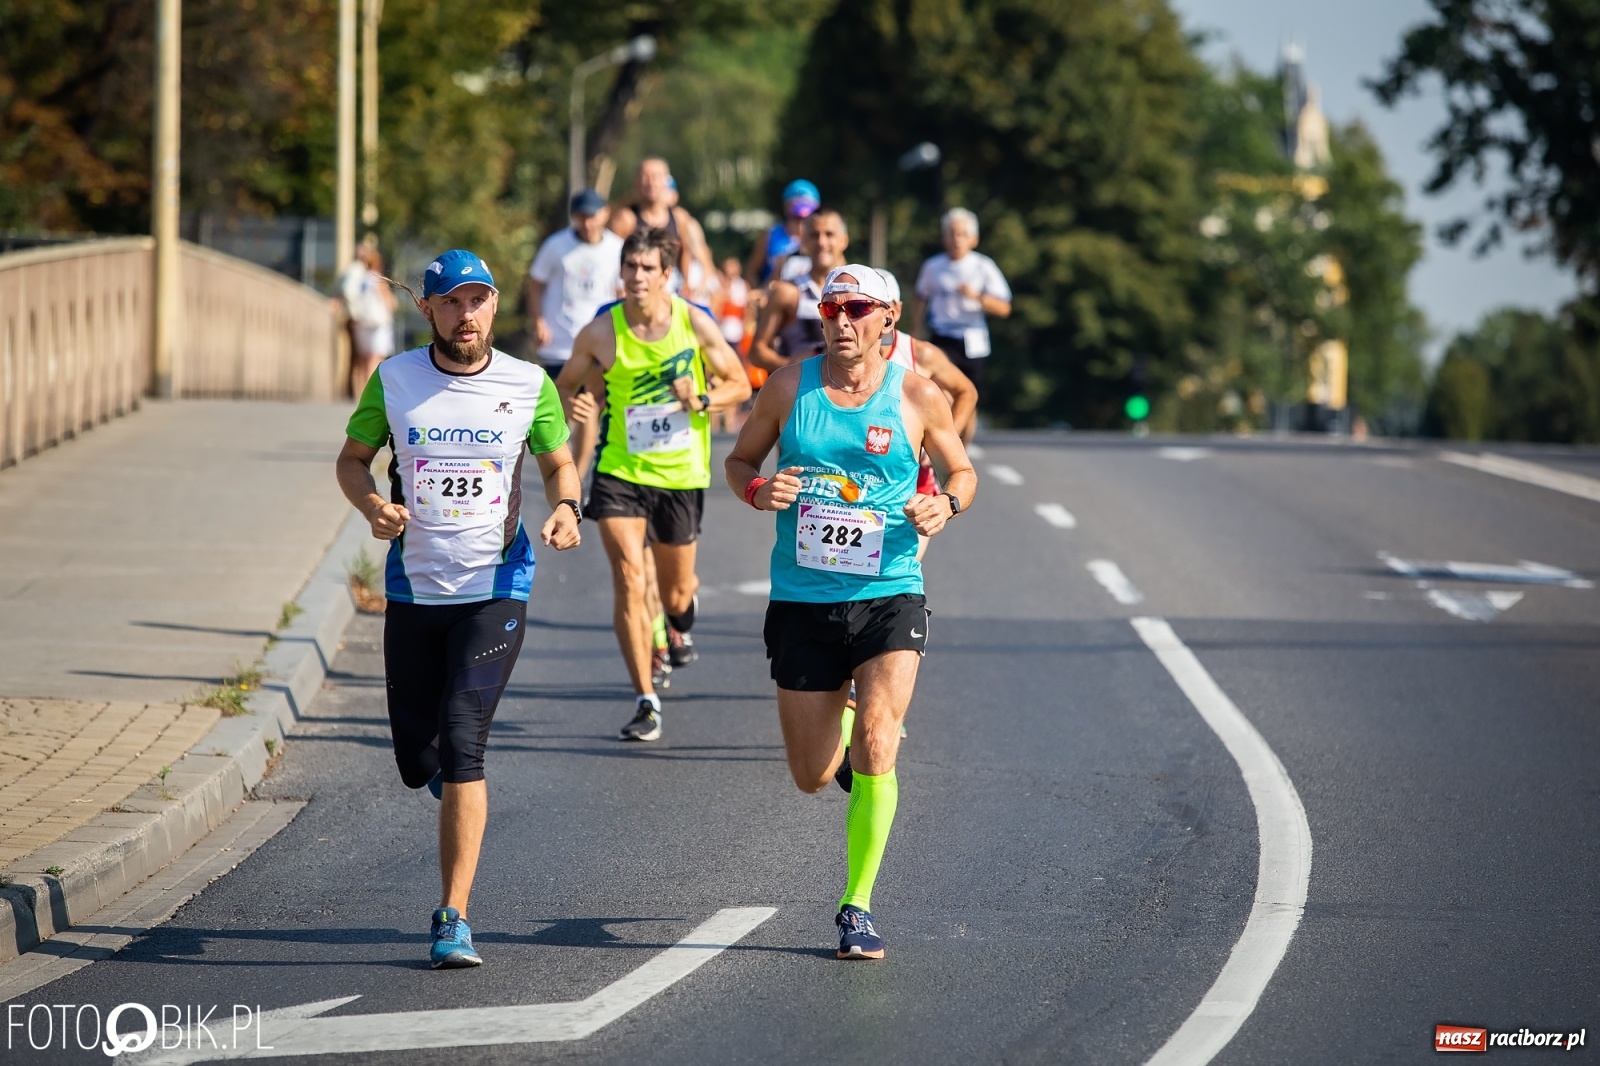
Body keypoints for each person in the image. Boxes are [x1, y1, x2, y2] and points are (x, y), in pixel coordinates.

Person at [335, 249, 582, 968]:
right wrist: (373, 505)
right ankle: (447, 781)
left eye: (477, 301)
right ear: (429, 310)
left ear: (494, 306)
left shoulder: (527, 384)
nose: (465, 314)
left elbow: (557, 462)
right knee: (419, 759)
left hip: (495, 587)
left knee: (464, 738)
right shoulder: (396, 379)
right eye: (451, 302)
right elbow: (351, 459)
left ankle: (453, 917)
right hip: (415, 588)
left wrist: (566, 506)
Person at [724, 264, 976, 961]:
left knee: (878, 740)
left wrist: (945, 504)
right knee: (811, 775)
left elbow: (962, 471)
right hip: (803, 599)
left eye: (856, 308)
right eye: (831, 306)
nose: (840, 319)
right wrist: (757, 491)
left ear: (887, 318)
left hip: (889, 589)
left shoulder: (918, 394)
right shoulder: (788, 387)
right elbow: (740, 460)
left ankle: (856, 906)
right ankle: (841, 725)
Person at [556, 228, 750, 742]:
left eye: (647, 269)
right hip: (620, 470)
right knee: (627, 575)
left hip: (681, 477)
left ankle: (682, 615)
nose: (637, 277)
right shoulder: (601, 331)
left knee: (675, 592)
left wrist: (703, 398)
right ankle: (646, 698)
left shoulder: (694, 322)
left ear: (667, 276)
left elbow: (741, 382)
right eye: (630, 267)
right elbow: (561, 389)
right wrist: (574, 406)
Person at [878, 269, 978, 560]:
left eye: (881, 305)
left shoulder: (920, 353)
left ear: (895, 310)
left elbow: (966, 392)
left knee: (903, 566)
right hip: (860, 477)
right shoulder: (837, 355)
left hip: (915, 481)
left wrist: (943, 440)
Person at [526, 188, 625, 478]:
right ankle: (559, 470)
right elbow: (534, 283)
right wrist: (539, 321)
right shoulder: (556, 246)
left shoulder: (617, 248)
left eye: (592, 216)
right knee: (560, 411)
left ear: (605, 214)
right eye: (581, 217)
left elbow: (622, 293)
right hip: (560, 341)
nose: (587, 223)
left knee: (590, 407)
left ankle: (577, 479)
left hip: (597, 344)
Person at [911, 208, 1012, 437]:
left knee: (968, 397)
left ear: (974, 239)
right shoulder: (933, 267)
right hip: (942, 335)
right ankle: (945, 443)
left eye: (963, 234)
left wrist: (976, 296)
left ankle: (961, 450)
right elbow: (920, 296)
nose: (957, 239)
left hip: (972, 338)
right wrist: (916, 328)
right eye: (952, 233)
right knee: (943, 392)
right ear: (944, 237)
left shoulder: (983, 266)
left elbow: (1004, 307)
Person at [749, 209, 850, 373]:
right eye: (814, 235)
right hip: (799, 393)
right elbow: (756, 352)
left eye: (829, 234)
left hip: (846, 393)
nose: (821, 242)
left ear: (844, 240)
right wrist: (798, 370)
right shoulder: (787, 292)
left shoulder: (858, 291)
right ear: (803, 241)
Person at [609, 157, 718, 304]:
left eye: (656, 177)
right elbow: (612, 258)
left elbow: (687, 251)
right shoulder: (626, 219)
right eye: (645, 177)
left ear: (666, 181)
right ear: (636, 182)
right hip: (638, 292)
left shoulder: (680, 218)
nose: (650, 182)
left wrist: (687, 283)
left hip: (671, 292)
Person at [339, 242, 397, 398]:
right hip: (378, 323)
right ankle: (370, 392)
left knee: (363, 360)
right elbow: (390, 303)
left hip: (362, 322)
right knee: (375, 358)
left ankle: (361, 390)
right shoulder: (377, 280)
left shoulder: (361, 279)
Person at [744, 179, 820, 287]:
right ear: (786, 208)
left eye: (806, 217)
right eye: (796, 216)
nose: (801, 223)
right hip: (776, 293)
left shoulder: (821, 237)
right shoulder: (770, 235)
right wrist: (757, 291)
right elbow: (751, 271)